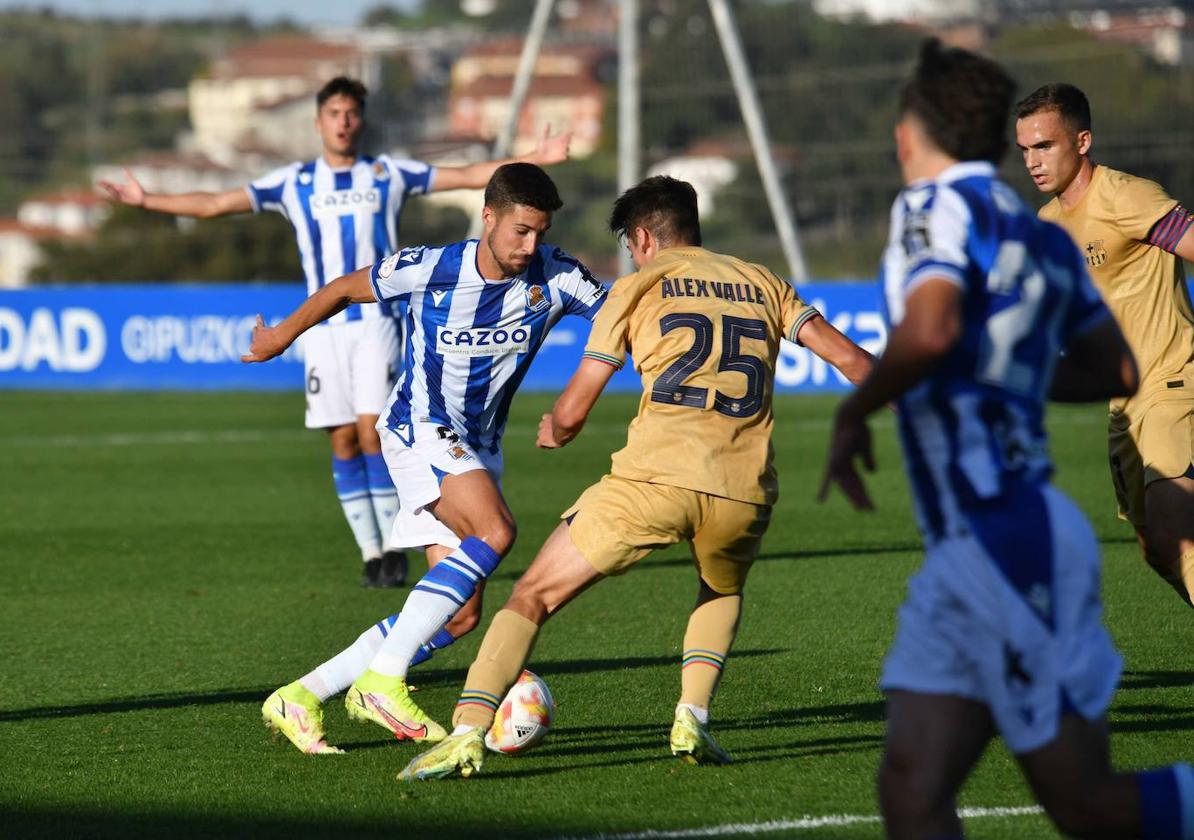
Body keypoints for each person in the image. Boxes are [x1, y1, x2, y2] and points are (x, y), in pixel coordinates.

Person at [821, 39, 1194, 840]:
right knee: (923, 790)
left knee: (1054, 802)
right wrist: (1007, 373)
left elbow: (929, 328)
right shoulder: (1041, 236)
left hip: (1000, 539)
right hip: (1006, 537)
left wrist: (857, 413)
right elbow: (1112, 365)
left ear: (913, 133)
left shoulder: (934, 207)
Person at [395, 174, 874, 780]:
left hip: (654, 481)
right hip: (744, 489)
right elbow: (854, 361)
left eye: (628, 242)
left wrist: (555, 429)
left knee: (531, 595)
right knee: (720, 589)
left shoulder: (638, 285)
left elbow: (572, 412)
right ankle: (692, 715)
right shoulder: (763, 282)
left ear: (644, 237)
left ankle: (466, 732)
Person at [99, 76, 571, 588]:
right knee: (343, 439)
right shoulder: (294, 182)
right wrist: (147, 202)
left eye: (352, 113)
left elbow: (470, 175)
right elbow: (215, 204)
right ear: (319, 120)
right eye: (334, 113)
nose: (344, 122)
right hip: (324, 329)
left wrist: (533, 157)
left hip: (376, 320)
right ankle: (372, 552)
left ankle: (396, 548)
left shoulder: (388, 173)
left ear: (361, 120)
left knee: (373, 430)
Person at [243, 162, 606, 755]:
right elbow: (341, 289)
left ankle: (301, 695)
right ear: (488, 216)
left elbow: (621, 317)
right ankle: (383, 684)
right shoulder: (436, 267)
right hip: (420, 428)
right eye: (519, 230)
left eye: (539, 232)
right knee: (495, 530)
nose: (530, 245)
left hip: (479, 445)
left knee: (459, 617)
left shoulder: (559, 277)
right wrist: (281, 336)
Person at [1015, 83, 1194, 606]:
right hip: (1122, 409)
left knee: (1175, 534)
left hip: (1172, 382)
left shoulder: (1125, 197)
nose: (1032, 161)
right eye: (1024, 149)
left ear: (1083, 140)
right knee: (1156, 550)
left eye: (1044, 146)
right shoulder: (1048, 227)